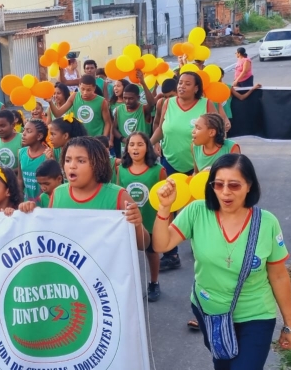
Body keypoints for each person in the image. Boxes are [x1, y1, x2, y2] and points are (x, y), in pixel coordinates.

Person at [152, 154, 291, 367]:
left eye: (234, 185)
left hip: (256, 315)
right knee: (222, 365)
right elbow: (161, 245)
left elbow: (278, 276)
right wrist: (164, 208)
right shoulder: (197, 211)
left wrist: (290, 326)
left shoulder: (267, 223)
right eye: (218, 184)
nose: (225, 192)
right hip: (209, 312)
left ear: (249, 186)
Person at [19, 137, 147, 250]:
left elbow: (143, 245)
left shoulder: (119, 196)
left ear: (97, 164)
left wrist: (136, 225)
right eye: (67, 160)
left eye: (81, 161)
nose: (72, 166)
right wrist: (31, 213)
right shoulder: (57, 194)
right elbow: (50, 234)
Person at [150, 72, 221, 271]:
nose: (181, 86)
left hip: (199, 165)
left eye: (187, 84)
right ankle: (171, 255)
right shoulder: (167, 103)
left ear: (196, 88)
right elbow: (161, 128)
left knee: (202, 207)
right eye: (180, 82)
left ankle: (204, 249)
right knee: (168, 205)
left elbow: (218, 129)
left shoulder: (206, 105)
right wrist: (149, 144)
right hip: (169, 161)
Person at [114, 132, 167, 302]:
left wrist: (166, 220)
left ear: (147, 147)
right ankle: (128, 286)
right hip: (128, 219)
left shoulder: (158, 170)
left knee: (151, 252)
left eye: (140, 144)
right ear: (127, 149)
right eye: (131, 144)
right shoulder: (121, 169)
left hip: (150, 219)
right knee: (126, 254)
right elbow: (118, 192)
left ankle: (154, 282)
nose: (135, 148)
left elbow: (165, 198)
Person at [50, 75, 112, 143]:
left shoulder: (102, 101)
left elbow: (107, 123)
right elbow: (58, 114)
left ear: (94, 88)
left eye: (88, 90)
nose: (85, 92)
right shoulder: (74, 96)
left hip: (96, 141)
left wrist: (103, 139)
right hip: (78, 141)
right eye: (82, 89)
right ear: (79, 86)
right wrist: (50, 101)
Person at [113, 80, 154, 155]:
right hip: (125, 150)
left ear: (138, 98)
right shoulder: (118, 110)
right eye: (125, 98)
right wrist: (123, 139)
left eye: (131, 98)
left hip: (143, 151)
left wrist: (143, 84)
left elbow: (151, 104)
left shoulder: (144, 109)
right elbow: (114, 128)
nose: (127, 101)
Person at [17, 119, 49, 202]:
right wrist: (20, 199)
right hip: (26, 202)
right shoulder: (21, 152)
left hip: (44, 204)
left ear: (39, 136)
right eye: (24, 130)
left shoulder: (47, 155)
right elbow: (20, 179)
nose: (23, 134)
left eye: (29, 131)